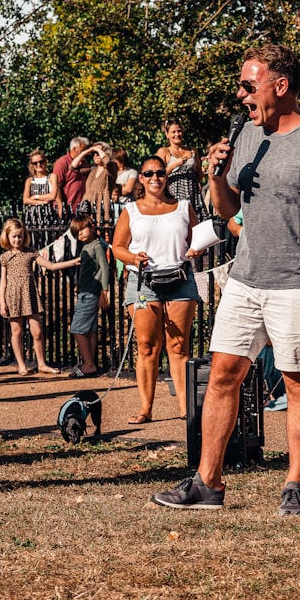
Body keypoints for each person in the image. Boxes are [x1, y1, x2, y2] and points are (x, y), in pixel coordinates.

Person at [150, 44, 300, 514]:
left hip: (298, 281)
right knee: (222, 375)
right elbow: (229, 209)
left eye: (247, 85)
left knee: (298, 383)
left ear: (280, 86)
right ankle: (207, 483)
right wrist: (216, 176)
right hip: (246, 278)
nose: (240, 95)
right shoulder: (246, 139)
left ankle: (293, 486)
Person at [111, 156, 202, 425]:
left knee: (178, 347)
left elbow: (198, 238)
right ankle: (145, 409)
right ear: (140, 178)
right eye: (148, 173)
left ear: (166, 177)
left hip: (180, 280)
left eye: (160, 173)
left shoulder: (183, 207)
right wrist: (132, 258)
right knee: (147, 346)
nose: (155, 178)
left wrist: (197, 248)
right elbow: (117, 247)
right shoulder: (131, 210)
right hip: (144, 283)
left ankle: (186, 409)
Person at [0, 218, 79, 376]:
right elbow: (2, 283)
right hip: (13, 296)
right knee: (17, 331)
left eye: (20, 236)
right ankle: (21, 365)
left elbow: (51, 266)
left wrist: (72, 262)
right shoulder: (5, 257)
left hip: (30, 295)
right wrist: (1, 302)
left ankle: (41, 364)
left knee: (37, 331)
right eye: (14, 236)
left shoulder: (31, 252)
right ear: (7, 237)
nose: (17, 239)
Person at [68, 215, 109, 378]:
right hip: (86, 291)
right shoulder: (88, 246)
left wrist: (104, 292)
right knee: (90, 330)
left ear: (92, 227)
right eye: (76, 233)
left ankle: (88, 364)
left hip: (90, 293)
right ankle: (91, 363)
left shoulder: (96, 246)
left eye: (82, 229)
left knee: (77, 329)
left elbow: (104, 268)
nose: (80, 234)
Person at [157, 118, 207, 221]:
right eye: (173, 132)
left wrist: (205, 167)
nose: (177, 134)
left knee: (196, 223)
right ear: (167, 134)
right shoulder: (164, 152)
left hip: (193, 194)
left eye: (179, 131)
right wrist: (174, 165)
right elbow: (157, 175)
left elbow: (198, 176)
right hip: (174, 194)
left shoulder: (192, 150)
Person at [73, 141, 116, 219]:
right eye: (94, 153)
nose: (95, 155)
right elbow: (73, 167)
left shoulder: (110, 169)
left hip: (101, 208)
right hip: (87, 207)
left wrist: (98, 150)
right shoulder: (92, 169)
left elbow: (107, 161)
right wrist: (87, 151)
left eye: (98, 153)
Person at [52, 136, 90, 212]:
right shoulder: (62, 163)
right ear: (74, 149)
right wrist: (60, 207)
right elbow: (56, 186)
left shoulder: (84, 163)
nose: (85, 153)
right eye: (82, 150)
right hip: (67, 207)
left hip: (81, 207)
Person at [22, 149, 61, 219]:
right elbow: (25, 200)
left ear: (46, 162)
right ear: (32, 165)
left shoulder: (52, 177)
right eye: (35, 163)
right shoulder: (29, 180)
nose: (38, 165)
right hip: (33, 215)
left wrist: (35, 197)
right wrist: (43, 202)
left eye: (41, 162)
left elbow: (53, 196)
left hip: (49, 214)